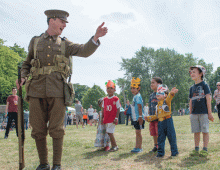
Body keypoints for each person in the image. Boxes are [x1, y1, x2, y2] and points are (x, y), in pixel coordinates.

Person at [16, 9, 107, 170]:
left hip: (58, 91)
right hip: (35, 90)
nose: (64, 25)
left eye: (65, 22)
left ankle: (57, 165)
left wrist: (95, 37)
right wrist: (22, 77)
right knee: (37, 130)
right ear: (52, 20)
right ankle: (43, 164)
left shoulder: (65, 44)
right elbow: (27, 63)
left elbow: (84, 50)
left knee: (57, 129)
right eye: (62, 21)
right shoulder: (35, 41)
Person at [189, 65, 214, 157]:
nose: (192, 73)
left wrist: (209, 113)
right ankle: (196, 148)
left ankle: (205, 148)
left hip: (203, 113)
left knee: (205, 131)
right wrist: (190, 113)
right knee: (196, 131)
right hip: (194, 113)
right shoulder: (191, 88)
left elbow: (208, 98)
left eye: (194, 72)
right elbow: (191, 100)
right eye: (191, 72)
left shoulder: (204, 85)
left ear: (201, 74)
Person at [155, 84, 179, 158]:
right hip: (161, 123)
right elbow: (157, 115)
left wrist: (171, 93)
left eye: (160, 93)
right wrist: (149, 118)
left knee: (171, 136)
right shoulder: (157, 105)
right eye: (157, 93)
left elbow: (169, 97)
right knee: (160, 138)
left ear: (165, 95)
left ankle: (174, 152)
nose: (158, 94)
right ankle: (160, 153)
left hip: (168, 121)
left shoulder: (167, 101)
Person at [101, 80, 120, 152]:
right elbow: (103, 109)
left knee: (110, 132)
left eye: (111, 88)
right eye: (108, 88)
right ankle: (113, 145)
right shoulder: (105, 99)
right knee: (109, 132)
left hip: (112, 118)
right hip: (106, 118)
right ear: (106, 90)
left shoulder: (116, 98)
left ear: (114, 89)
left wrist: (116, 117)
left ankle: (115, 146)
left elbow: (118, 108)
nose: (109, 90)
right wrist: (102, 117)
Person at [145, 77, 162, 153]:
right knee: (153, 132)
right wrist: (148, 116)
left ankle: (160, 146)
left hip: (159, 118)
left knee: (159, 132)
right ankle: (155, 145)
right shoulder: (151, 95)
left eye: (153, 83)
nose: (151, 84)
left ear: (159, 84)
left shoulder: (161, 94)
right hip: (152, 118)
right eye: (151, 83)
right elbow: (149, 106)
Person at [130, 77, 145, 153]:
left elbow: (139, 106)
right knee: (137, 132)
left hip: (139, 118)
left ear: (138, 88)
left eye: (134, 88)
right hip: (135, 118)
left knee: (138, 133)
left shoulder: (138, 96)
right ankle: (136, 146)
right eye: (131, 88)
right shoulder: (135, 96)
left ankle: (140, 147)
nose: (132, 90)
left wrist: (140, 116)